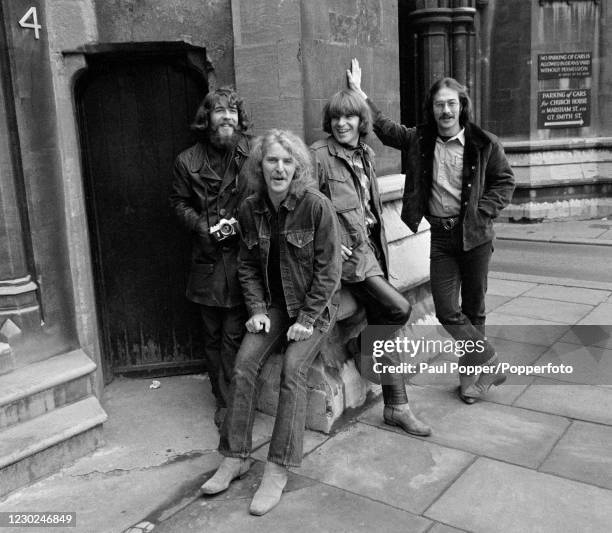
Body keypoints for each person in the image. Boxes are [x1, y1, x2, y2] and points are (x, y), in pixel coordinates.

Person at [346, 58, 515, 402]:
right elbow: (386, 128)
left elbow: (505, 182)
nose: (446, 110)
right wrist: (359, 94)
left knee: (474, 310)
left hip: (477, 237)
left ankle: (469, 380)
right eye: (440, 105)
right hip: (441, 237)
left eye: (452, 103)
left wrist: (483, 212)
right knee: (446, 310)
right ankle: (490, 359)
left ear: (461, 106)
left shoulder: (484, 143)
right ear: (433, 110)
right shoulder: (420, 140)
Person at [200, 130, 342, 516]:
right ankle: (235, 456)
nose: (279, 168)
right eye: (271, 160)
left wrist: (308, 320)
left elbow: (330, 273)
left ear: (297, 167)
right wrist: (258, 309)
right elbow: (246, 264)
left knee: (293, 370)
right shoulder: (250, 208)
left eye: (287, 161)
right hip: (276, 306)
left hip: (314, 308)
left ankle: (278, 468)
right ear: (260, 165)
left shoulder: (316, 207)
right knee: (243, 364)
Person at [310, 90, 431, 436]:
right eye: (335, 118)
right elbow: (304, 208)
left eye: (349, 117)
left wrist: (360, 90)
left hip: (375, 250)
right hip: (351, 258)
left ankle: (397, 407)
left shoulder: (366, 153)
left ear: (361, 122)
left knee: (384, 324)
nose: (341, 123)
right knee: (399, 309)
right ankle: (361, 345)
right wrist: (329, 243)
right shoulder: (318, 156)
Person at [170, 87, 252, 426]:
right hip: (206, 261)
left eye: (233, 111)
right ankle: (223, 400)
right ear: (208, 118)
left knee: (235, 334)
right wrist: (204, 227)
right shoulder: (186, 161)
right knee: (213, 337)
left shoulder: (252, 154)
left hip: (243, 261)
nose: (228, 117)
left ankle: (235, 404)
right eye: (220, 111)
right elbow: (178, 204)